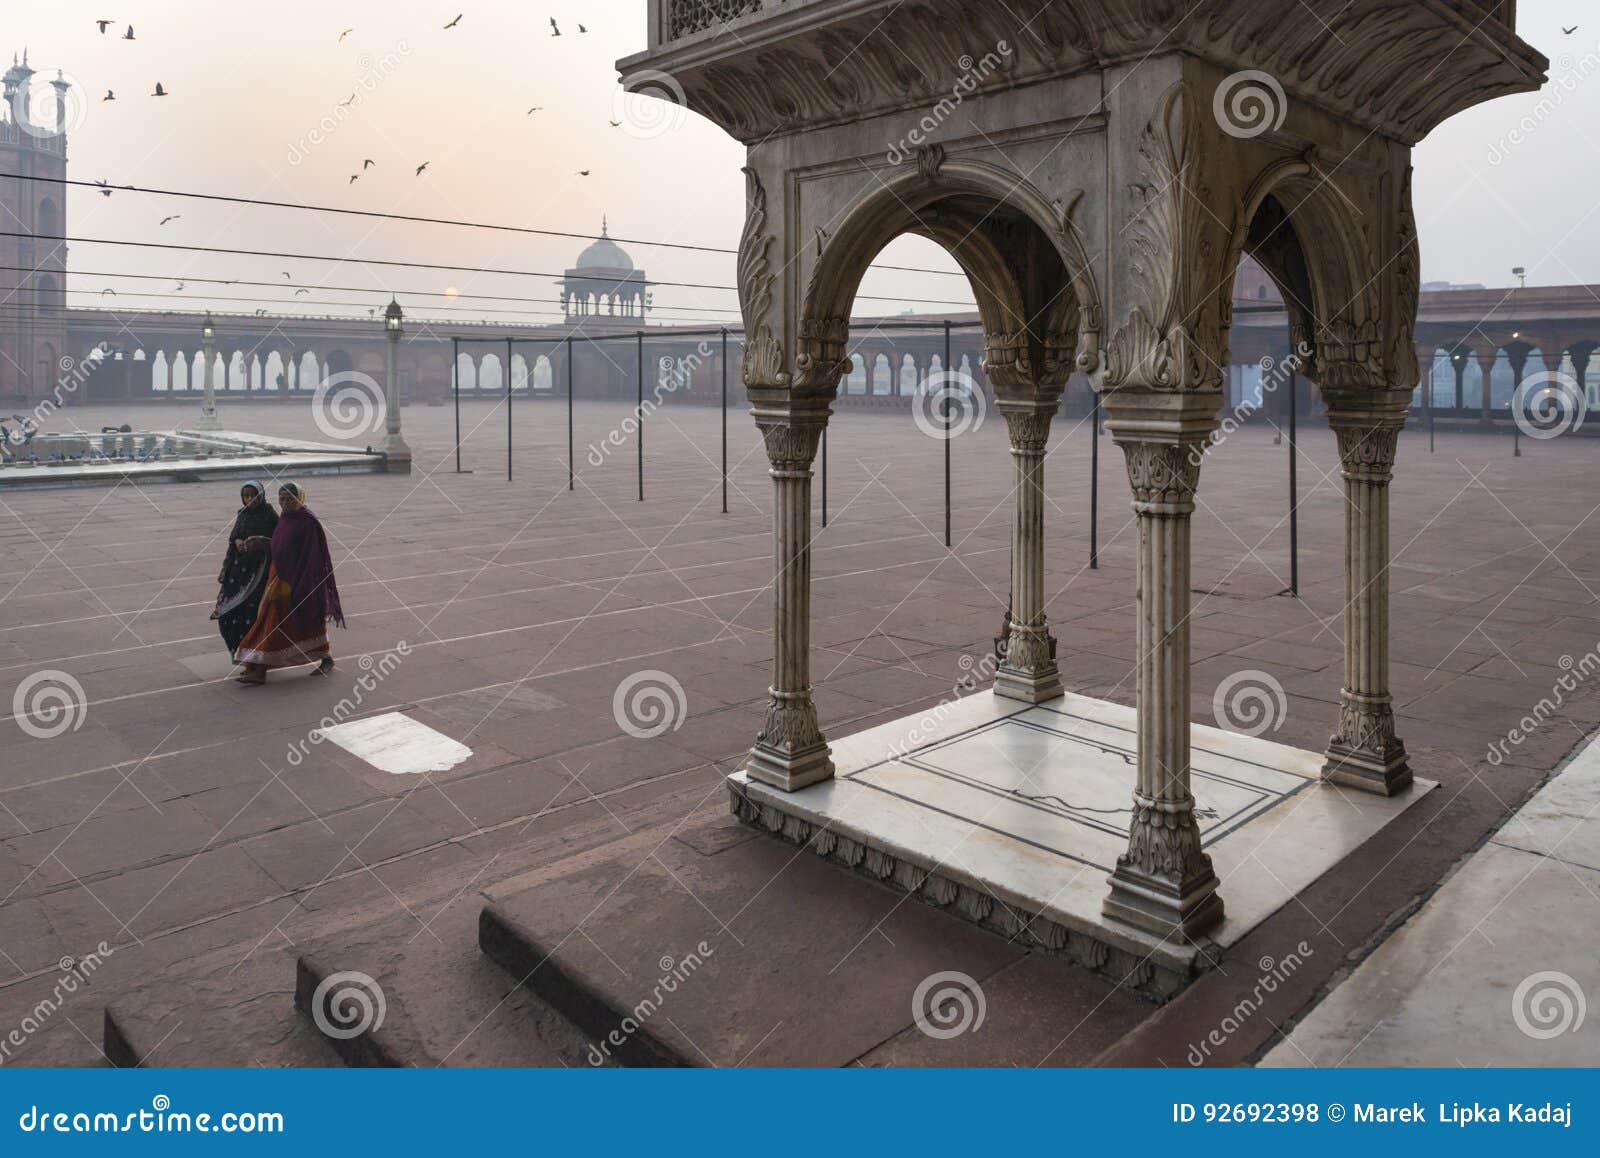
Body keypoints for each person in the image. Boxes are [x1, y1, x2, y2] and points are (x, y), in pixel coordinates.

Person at [233, 482, 345, 684]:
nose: (284, 503)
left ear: (299, 499)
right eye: (281, 499)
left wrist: (301, 584)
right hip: (277, 577)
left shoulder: (308, 522)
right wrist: (262, 542)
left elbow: (313, 557)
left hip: (297, 580)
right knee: (270, 621)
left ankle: (262, 669)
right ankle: (257, 667)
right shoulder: (285, 519)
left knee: (280, 623)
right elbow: (280, 546)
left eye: (289, 499)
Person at [210, 480, 278, 654]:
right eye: (246, 496)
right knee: (228, 615)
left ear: (261, 495)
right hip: (238, 571)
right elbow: (233, 538)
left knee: (253, 615)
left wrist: (262, 543)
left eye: (253, 495)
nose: (250, 499)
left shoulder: (269, 515)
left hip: (259, 573)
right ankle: (239, 653)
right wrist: (238, 542)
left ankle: (253, 659)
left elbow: (280, 542)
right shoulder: (242, 514)